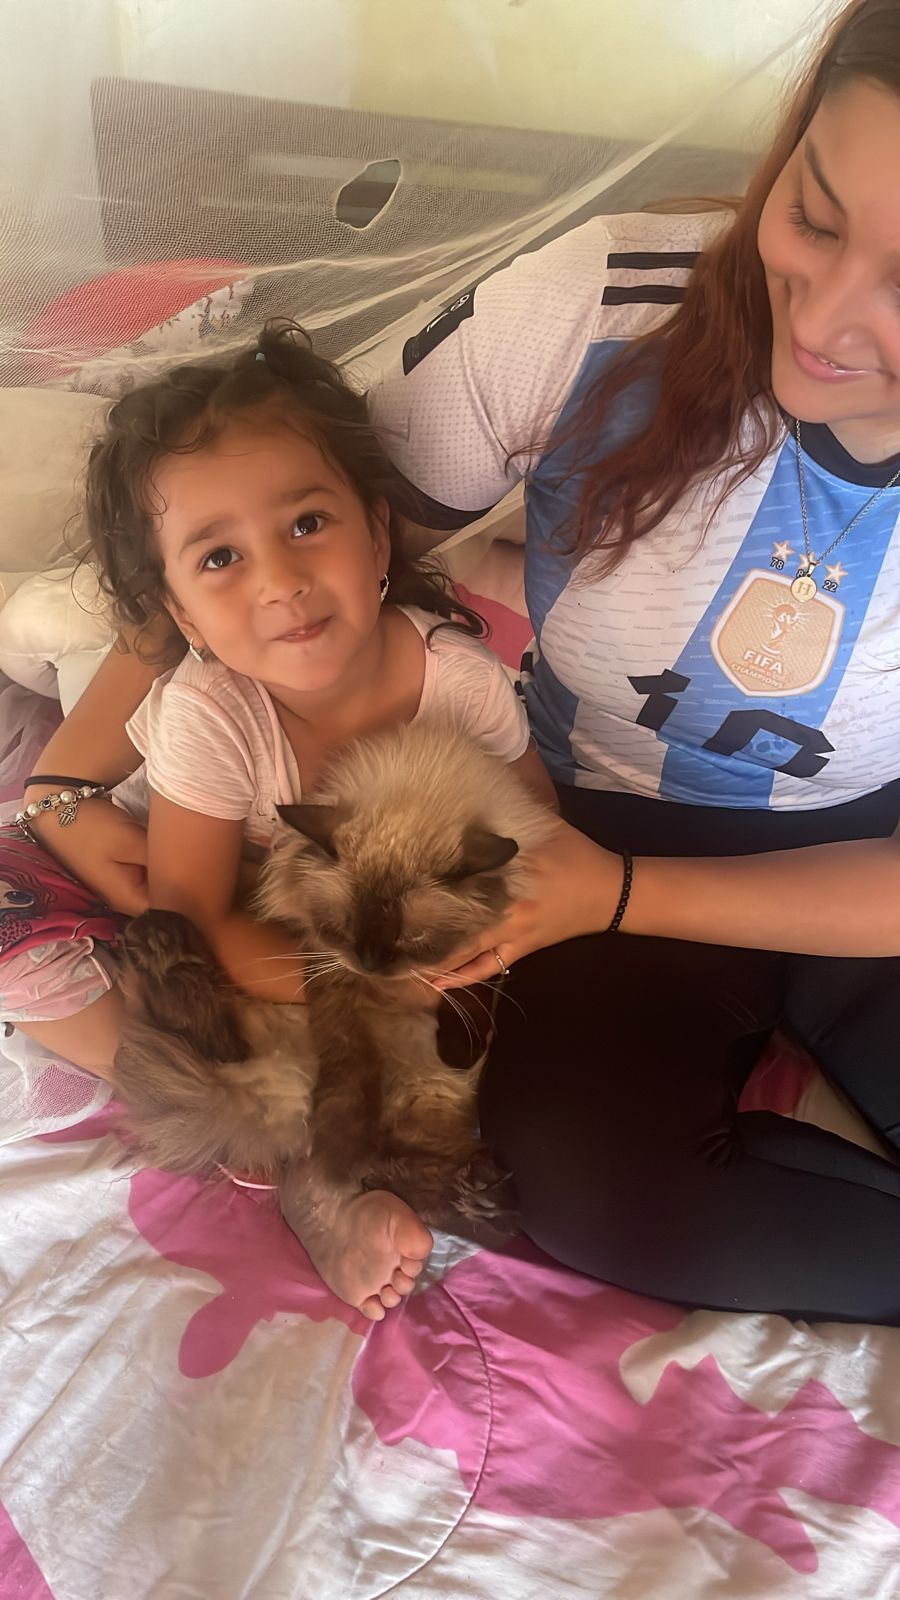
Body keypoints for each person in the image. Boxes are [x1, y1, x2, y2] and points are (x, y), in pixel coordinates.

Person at [16, 0, 900, 1325]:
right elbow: (280, 532)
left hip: (857, 862)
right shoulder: (588, 314)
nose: (824, 318)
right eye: (815, 219)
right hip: (576, 826)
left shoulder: (458, 687)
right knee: (584, 1182)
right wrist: (70, 775)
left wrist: (619, 894)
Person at [2, 322, 553, 1319]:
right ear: (177, 613)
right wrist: (369, 996)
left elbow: (539, 840)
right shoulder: (211, 712)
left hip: (369, 952)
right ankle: (302, 1162)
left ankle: (329, 1145)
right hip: (221, 938)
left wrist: (450, 968)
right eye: (220, 556)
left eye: (306, 524)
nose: (279, 582)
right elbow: (192, 922)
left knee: (495, 1033)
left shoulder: (460, 684)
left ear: (377, 535)